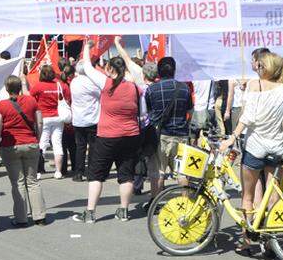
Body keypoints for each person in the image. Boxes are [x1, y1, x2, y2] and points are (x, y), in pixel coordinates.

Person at [219, 53, 283, 251]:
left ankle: (247, 241)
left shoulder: (255, 85)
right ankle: (272, 242)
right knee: (272, 196)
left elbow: (247, 118)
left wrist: (232, 137)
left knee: (248, 195)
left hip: (255, 146)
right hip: (277, 147)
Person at [73, 40, 145, 224]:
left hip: (107, 136)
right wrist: (119, 46)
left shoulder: (105, 83)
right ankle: (124, 210)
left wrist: (87, 48)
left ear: (111, 69)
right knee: (126, 174)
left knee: (96, 175)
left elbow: (87, 68)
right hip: (130, 135)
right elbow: (133, 67)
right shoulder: (136, 86)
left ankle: (90, 212)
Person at [0, 75, 46, 227]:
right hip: (30, 142)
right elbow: (39, 121)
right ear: (19, 87)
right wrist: (37, 137)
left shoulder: (2, 105)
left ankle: (21, 218)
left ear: (6, 89)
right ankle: (39, 216)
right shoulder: (31, 101)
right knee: (32, 181)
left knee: (17, 183)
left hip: (11, 145)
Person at [142, 56, 191, 196]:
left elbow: (148, 112)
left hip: (160, 136)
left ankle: (155, 203)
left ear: (159, 71)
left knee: (159, 172)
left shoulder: (152, 89)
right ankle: (186, 203)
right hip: (181, 136)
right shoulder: (184, 88)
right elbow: (190, 112)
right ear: (174, 70)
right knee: (182, 173)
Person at [28, 64, 70, 178]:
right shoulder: (60, 85)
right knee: (57, 144)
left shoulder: (38, 86)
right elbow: (67, 97)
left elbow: (30, 98)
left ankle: (38, 171)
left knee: (42, 144)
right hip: (58, 118)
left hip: (43, 118)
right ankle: (58, 171)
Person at [69, 57, 102, 182]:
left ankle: (79, 172)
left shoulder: (74, 82)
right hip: (92, 118)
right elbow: (101, 94)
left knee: (80, 147)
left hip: (78, 118)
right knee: (93, 147)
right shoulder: (92, 82)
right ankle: (91, 172)